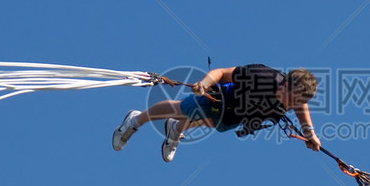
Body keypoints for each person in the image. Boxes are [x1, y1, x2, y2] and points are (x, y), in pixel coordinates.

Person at [112, 63, 321, 162]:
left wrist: (310, 133)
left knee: (212, 123)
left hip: (237, 114)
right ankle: (135, 120)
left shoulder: (294, 98)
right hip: (222, 98)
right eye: (293, 100)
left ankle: (174, 129)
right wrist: (203, 84)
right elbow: (221, 73)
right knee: (180, 109)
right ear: (285, 85)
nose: (294, 106)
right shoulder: (261, 76)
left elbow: (302, 108)